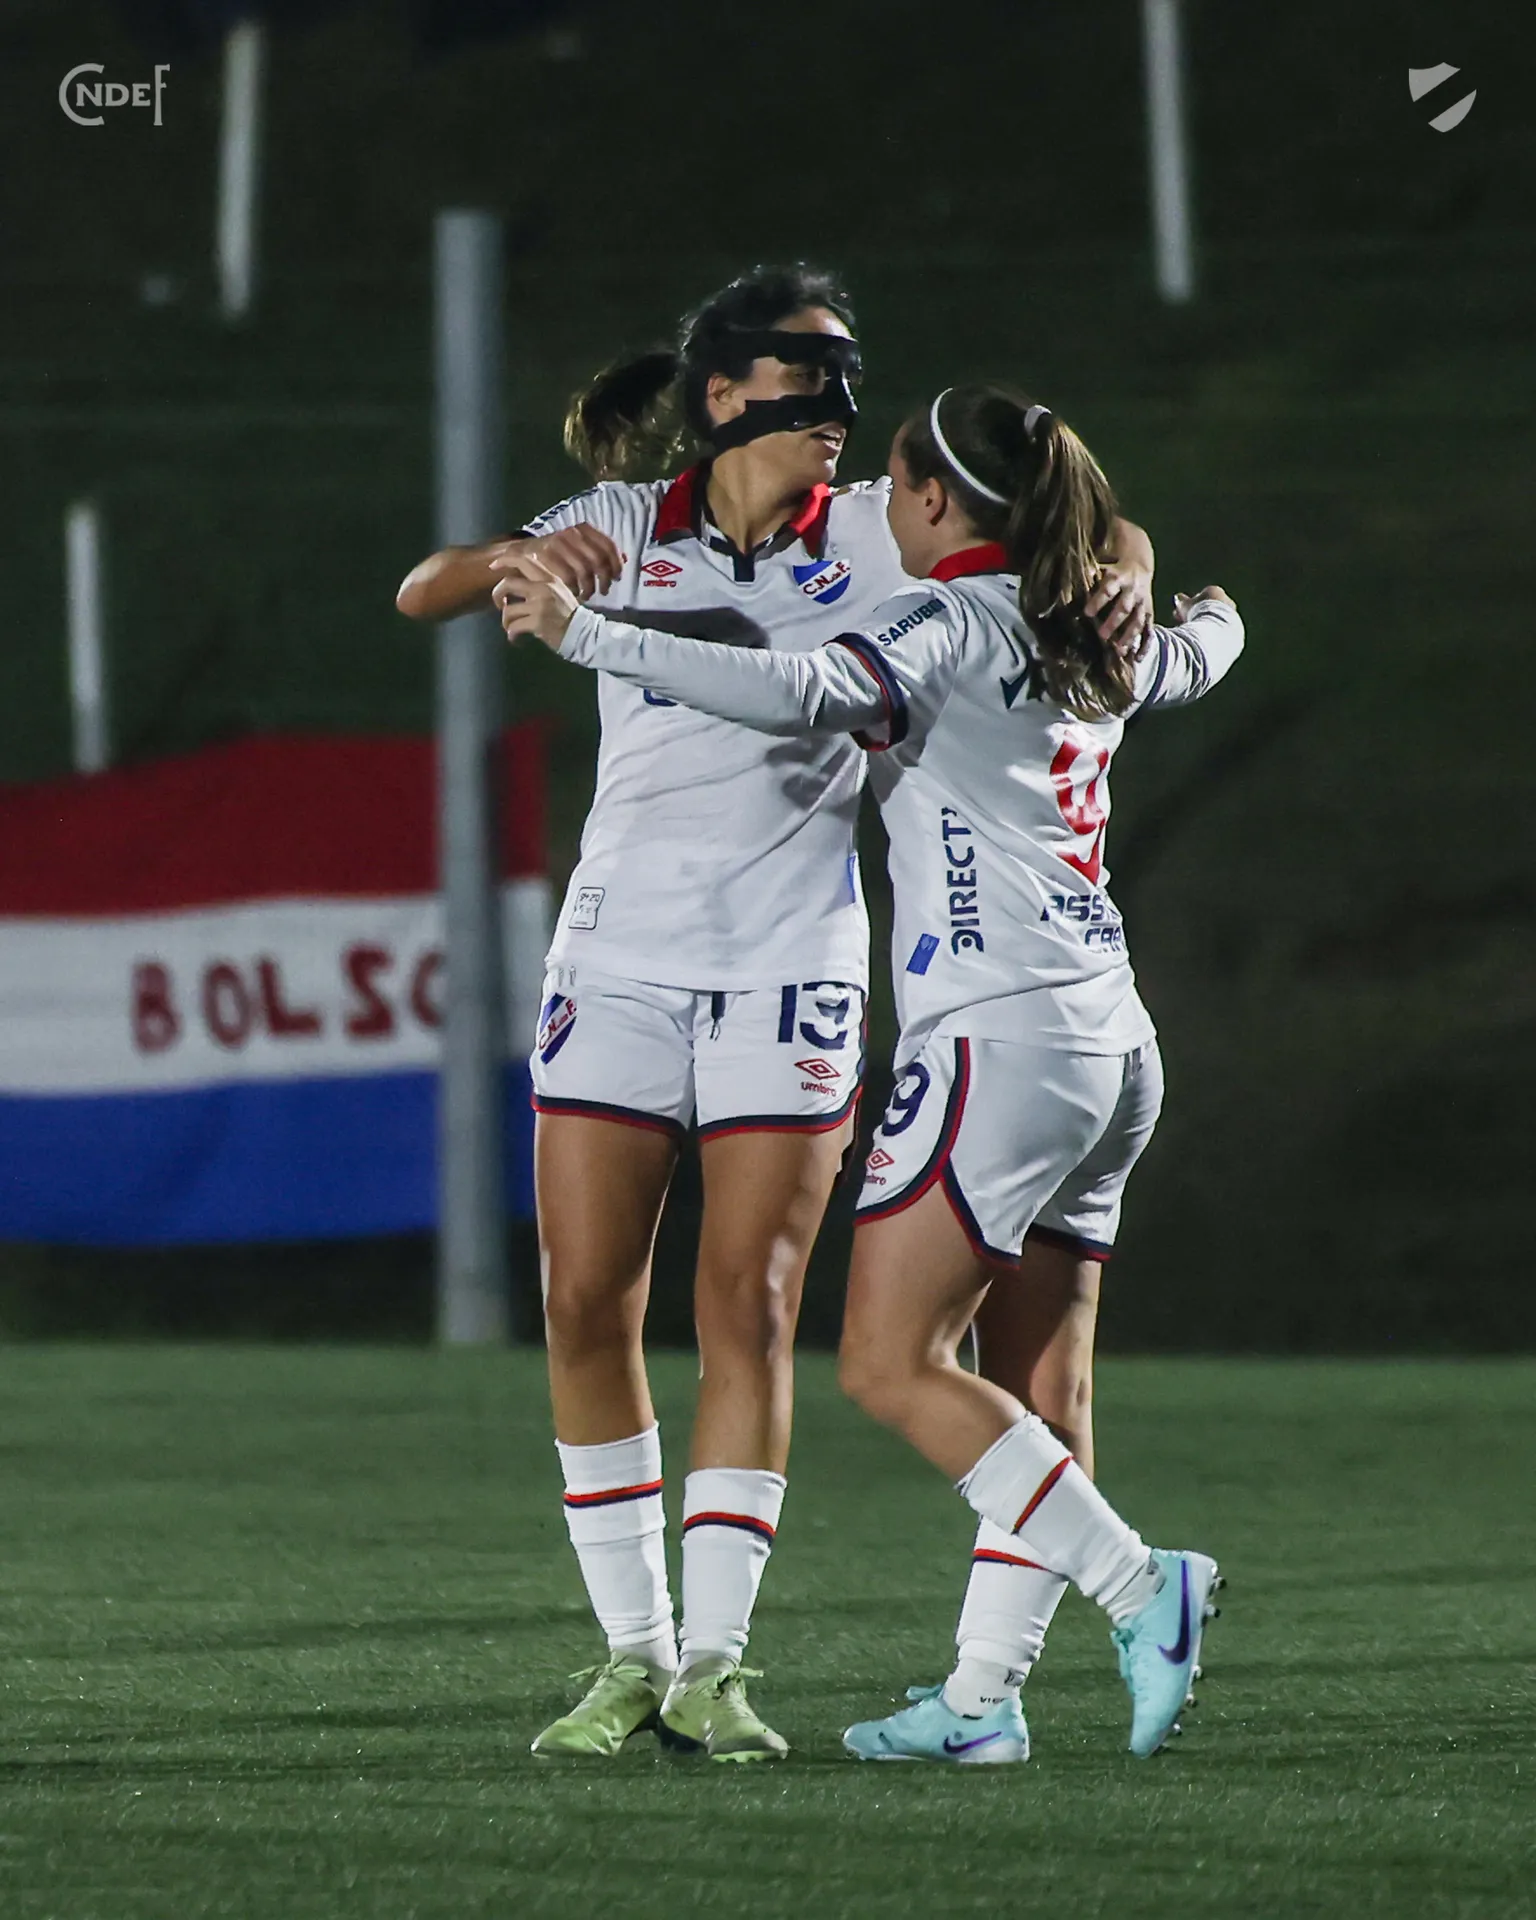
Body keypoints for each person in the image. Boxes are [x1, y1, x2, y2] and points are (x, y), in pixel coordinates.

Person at [493, 381, 1240, 1762]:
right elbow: (1211, 645)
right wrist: (1184, 596)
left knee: (892, 1362)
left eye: (897, 485)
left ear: (938, 500)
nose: (878, 507)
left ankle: (1145, 1586)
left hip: (998, 1035)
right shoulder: (1097, 636)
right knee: (1045, 1379)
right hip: (1114, 1044)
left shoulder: (944, 622)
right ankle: (983, 1702)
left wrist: (591, 635)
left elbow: (800, 690)